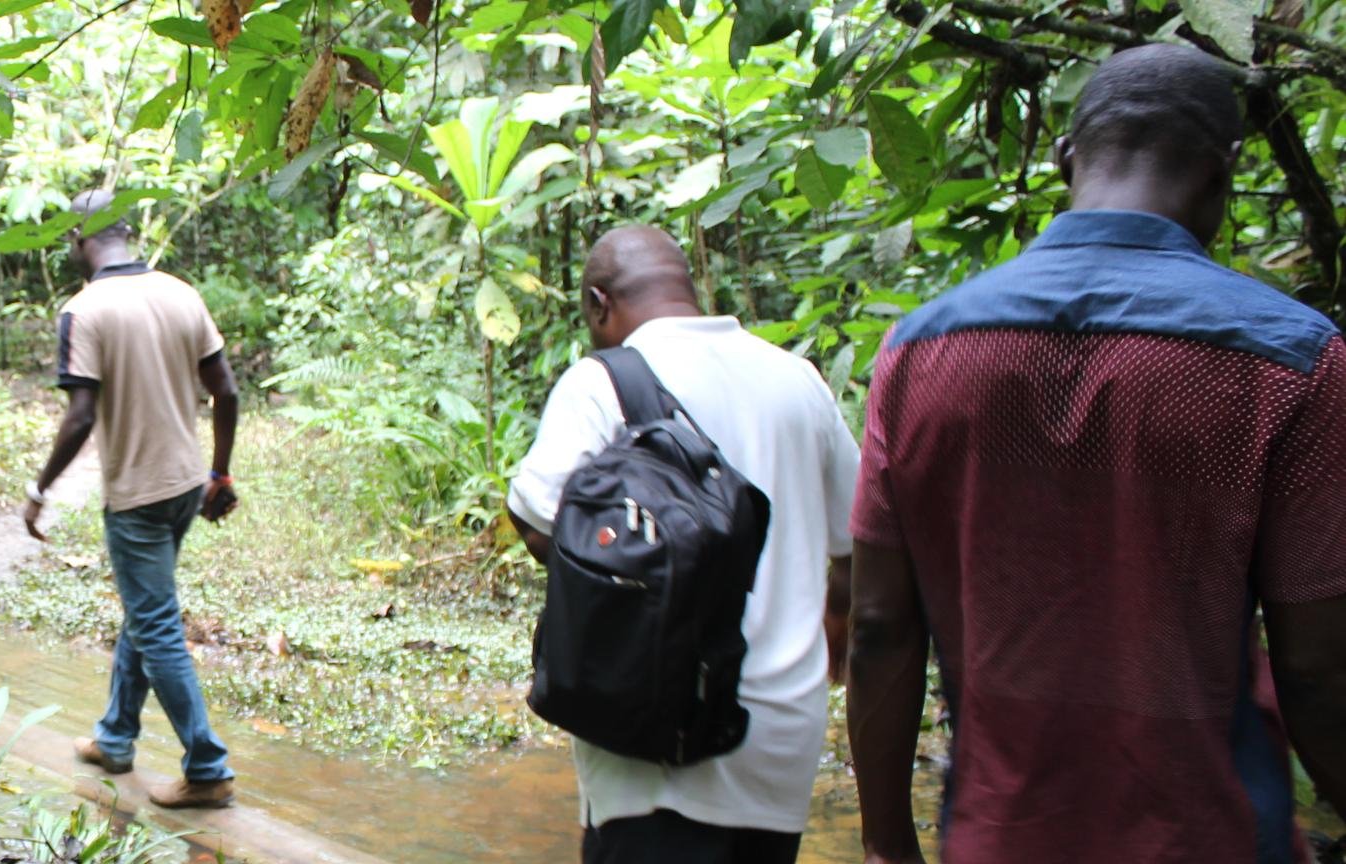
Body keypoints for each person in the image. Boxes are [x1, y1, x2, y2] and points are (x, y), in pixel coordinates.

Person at [847, 43, 1346, 864]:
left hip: (1000, 834)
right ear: (1224, 171)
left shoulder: (919, 352)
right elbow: (1319, 667)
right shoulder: (1289, 360)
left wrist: (885, 843)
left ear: (1063, 158)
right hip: (1208, 834)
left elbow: (878, 627)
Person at [507, 227, 859, 864]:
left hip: (651, 725)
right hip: (780, 737)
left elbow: (535, 517)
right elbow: (859, 539)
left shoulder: (604, 381)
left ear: (598, 304)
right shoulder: (799, 381)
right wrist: (837, 608)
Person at [23, 189, 242, 809]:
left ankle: (207, 769)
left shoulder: (84, 311)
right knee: (144, 611)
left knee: (155, 624)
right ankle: (115, 738)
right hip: (185, 485)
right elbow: (226, 392)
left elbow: (80, 416)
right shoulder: (180, 293)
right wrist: (219, 474)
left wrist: (39, 489)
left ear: (78, 238)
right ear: (126, 232)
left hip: (137, 495)